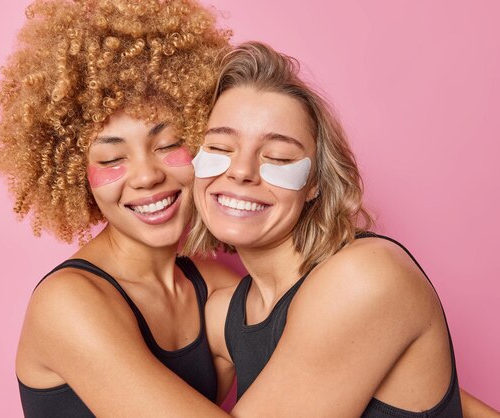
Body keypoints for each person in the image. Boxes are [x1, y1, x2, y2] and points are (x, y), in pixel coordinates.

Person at [186, 41, 499, 417]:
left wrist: (94, 340)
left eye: (279, 157)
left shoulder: (363, 277)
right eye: (220, 147)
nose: (241, 171)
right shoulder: (228, 316)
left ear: (315, 182)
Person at [0, 0, 237, 416]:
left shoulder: (214, 286)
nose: (145, 176)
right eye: (111, 159)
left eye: (169, 144)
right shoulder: (68, 303)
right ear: (72, 172)